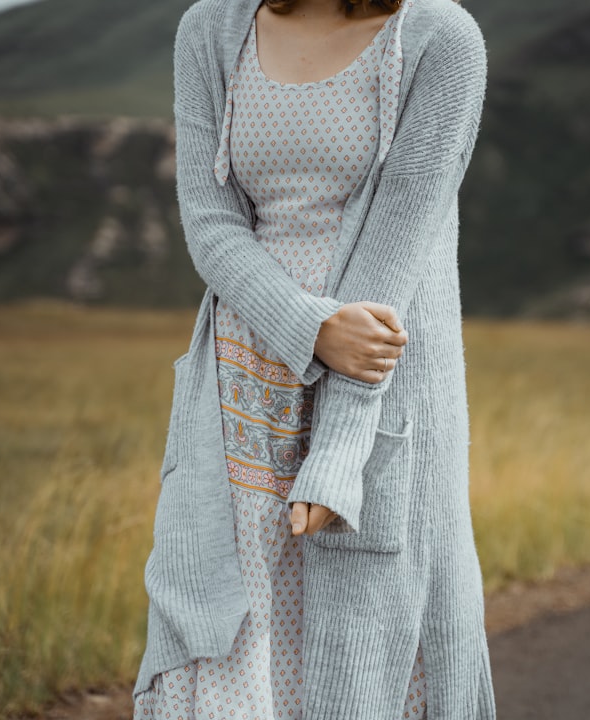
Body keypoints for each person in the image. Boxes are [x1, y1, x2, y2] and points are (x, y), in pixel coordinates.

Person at [132, 0, 493, 717]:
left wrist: (340, 449)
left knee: (368, 646)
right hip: (243, 388)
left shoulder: (440, 38)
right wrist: (311, 327)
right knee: (229, 633)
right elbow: (209, 223)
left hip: (381, 386)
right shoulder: (209, 29)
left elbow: (397, 254)